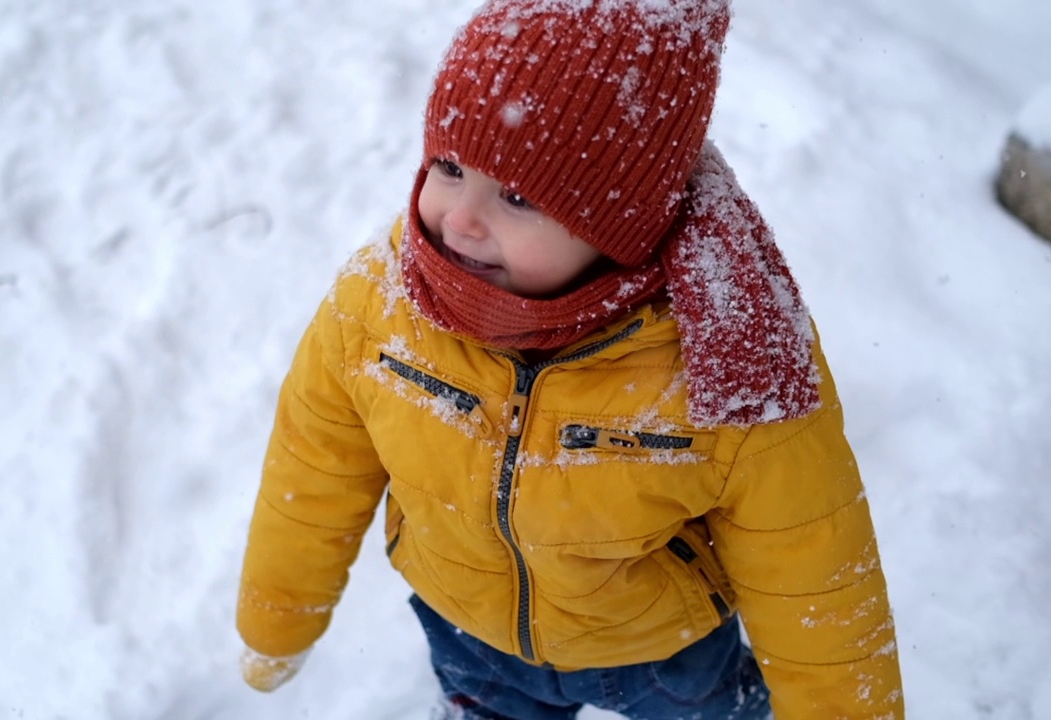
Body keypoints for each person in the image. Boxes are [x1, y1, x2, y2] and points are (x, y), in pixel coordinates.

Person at [236, 0, 905, 718]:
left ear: (622, 224)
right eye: (450, 166)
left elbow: (813, 566)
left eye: (519, 196)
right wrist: (279, 614)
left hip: (663, 654)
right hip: (470, 635)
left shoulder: (727, 353)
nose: (460, 217)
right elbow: (313, 465)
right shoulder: (379, 302)